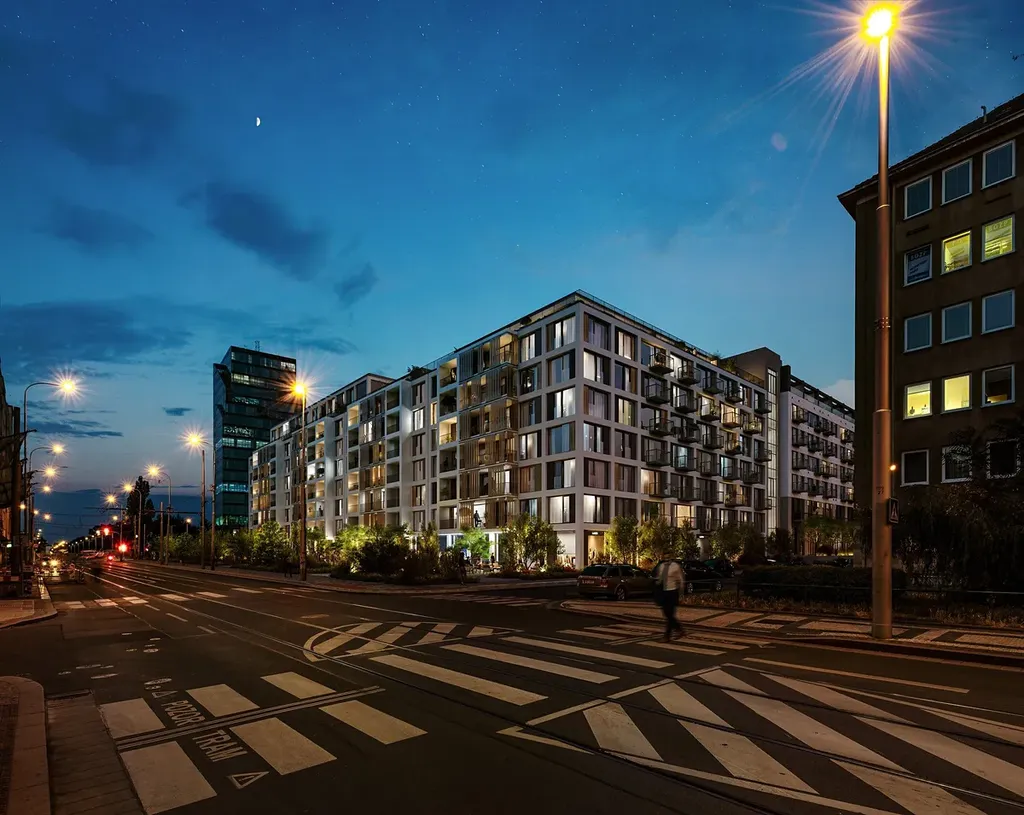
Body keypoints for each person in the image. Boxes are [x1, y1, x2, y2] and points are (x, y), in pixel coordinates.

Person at [653, 557, 685, 641]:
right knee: (666, 614)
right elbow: (660, 578)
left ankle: (667, 635)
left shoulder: (675, 566)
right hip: (663, 592)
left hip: (672, 592)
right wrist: (657, 582)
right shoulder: (661, 566)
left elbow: (681, 580)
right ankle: (679, 628)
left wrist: (681, 594)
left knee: (670, 613)